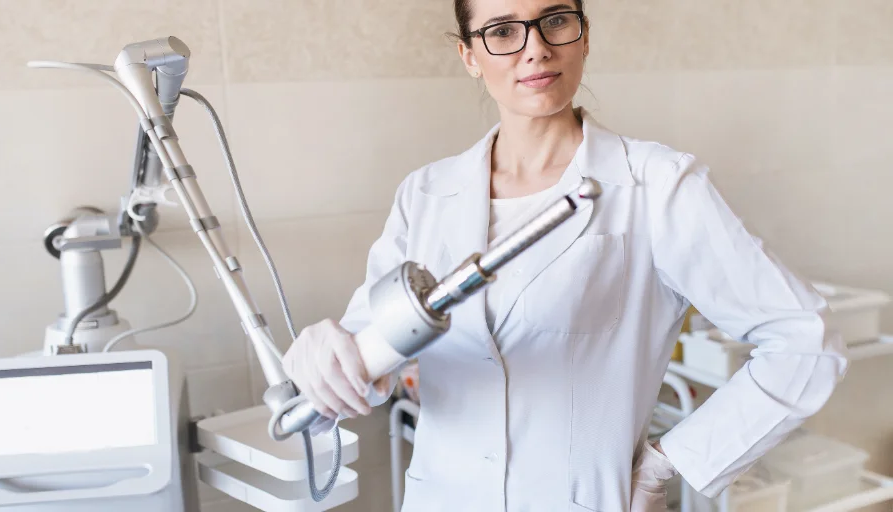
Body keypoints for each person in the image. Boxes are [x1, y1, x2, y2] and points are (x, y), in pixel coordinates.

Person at [282, 0, 848, 510]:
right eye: (503, 31)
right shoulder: (425, 193)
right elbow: (368, 349)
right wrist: (328, 353)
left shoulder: (657, 185)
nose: (536, 47)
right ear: (470, 55)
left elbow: (806, 341)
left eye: (555, 20)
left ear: (582, 35)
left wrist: (664, 465)